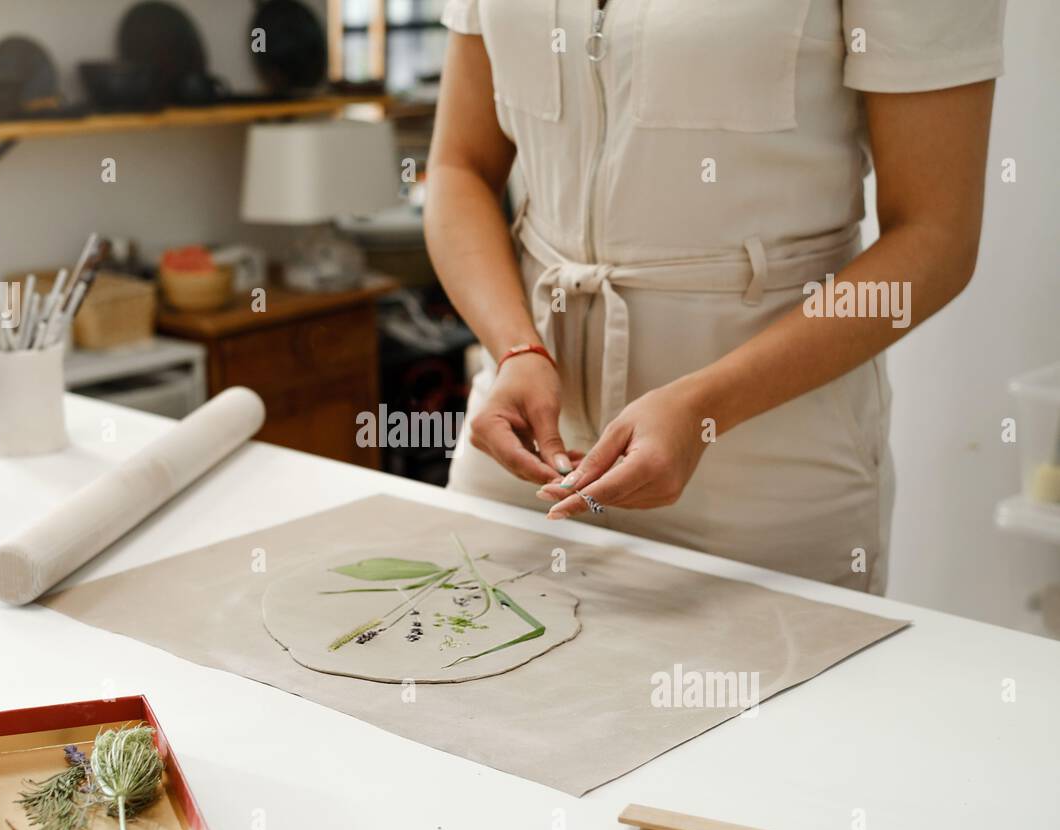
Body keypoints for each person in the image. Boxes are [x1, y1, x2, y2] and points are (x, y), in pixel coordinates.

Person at [425, 0, 1004, 593]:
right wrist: (516, 348)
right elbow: (458, 166)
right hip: (525, 459)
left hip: (762, 489)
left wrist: (706, 408)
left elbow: (937, 238)